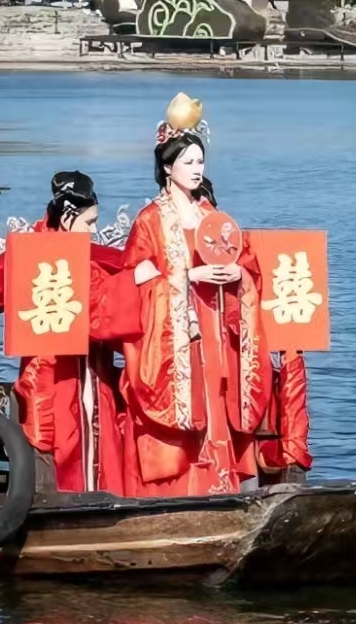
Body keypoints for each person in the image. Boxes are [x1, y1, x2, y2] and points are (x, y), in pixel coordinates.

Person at [115, 94, 271, 497]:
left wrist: (239, 273)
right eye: (188, 162)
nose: (197, 170)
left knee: (217, 395)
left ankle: (221, 480)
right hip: (176, 331)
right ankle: (183, 489)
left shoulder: (213, 218)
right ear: (168, 168)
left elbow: (250, 265)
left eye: (200, 162)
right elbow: (135, 281)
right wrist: (188, 275)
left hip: (215, 320)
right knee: (191, 396)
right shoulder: (150, 221)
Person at [12, 171, 143, 493]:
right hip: (56, 378)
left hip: (85, 375)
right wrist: (136, 280)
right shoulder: (45, 257)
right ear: (68, 217)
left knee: (91, 435)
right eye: (89, 222)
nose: (94, 230)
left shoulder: (76, 256)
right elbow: (100, 313)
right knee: (63, 440)